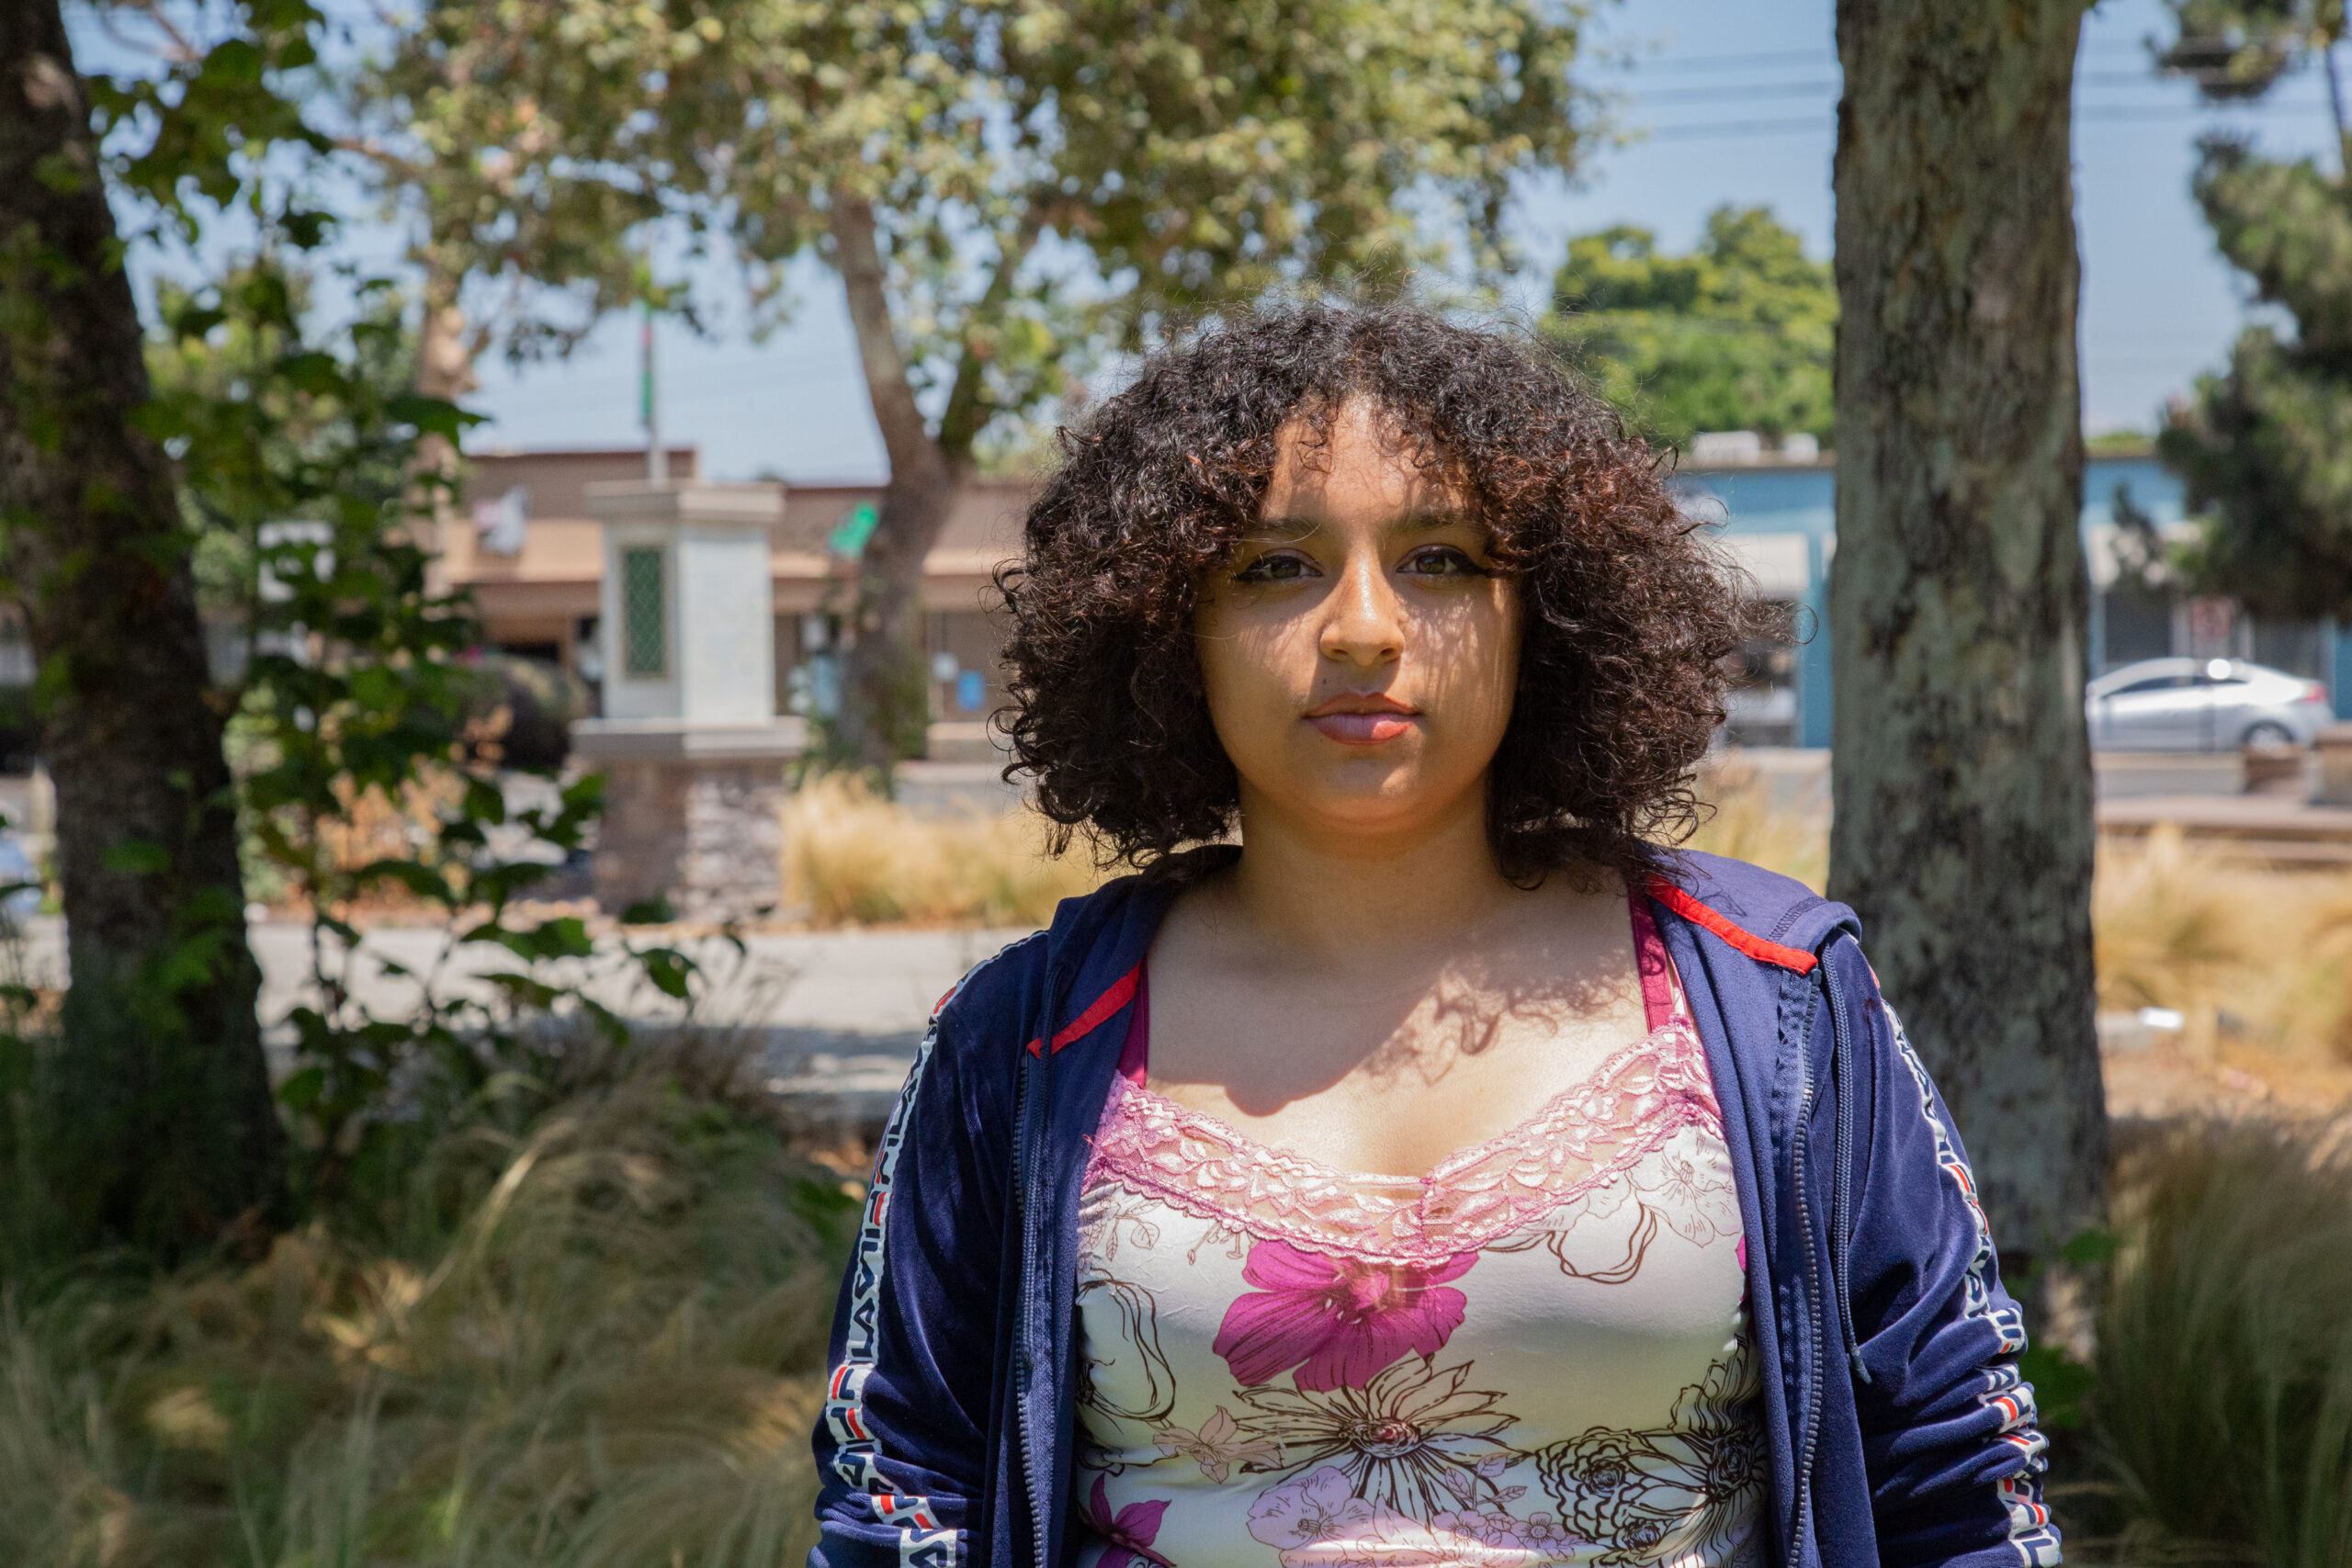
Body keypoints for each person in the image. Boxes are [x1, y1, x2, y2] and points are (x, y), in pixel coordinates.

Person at [809, 306, 2056, 1568]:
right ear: (1164, 629)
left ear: (1549, 614)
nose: (1362, 625)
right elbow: (902, 1499)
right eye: (1274, 567)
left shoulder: (1772, 998)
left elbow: (1957, 1481)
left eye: (1444, 560)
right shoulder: (1014, 1047)